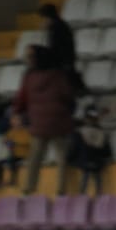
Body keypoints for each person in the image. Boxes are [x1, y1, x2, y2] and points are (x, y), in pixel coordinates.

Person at [13, 45, 76, 195]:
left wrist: (17, 112)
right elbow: (67, 95)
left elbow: (22, 97)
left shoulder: (29, 77)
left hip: (38, 123)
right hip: (58, 121)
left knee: (35, 156)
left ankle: (29, 187)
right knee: (61, 156)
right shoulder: (58, 75)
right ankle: (61, 189)